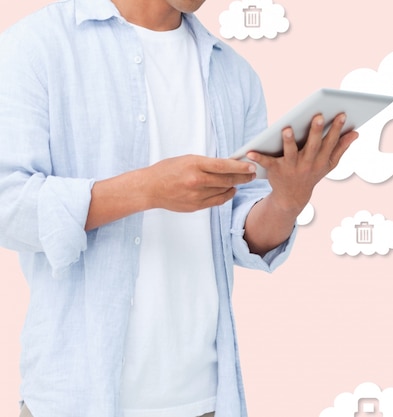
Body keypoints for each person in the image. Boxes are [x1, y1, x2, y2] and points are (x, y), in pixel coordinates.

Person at [0, 0, 359, 416]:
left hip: (206, 401)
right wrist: (146, 189)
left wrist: (288, 198)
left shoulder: (233, 73)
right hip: (76, 401)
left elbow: (241, 235)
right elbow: (9, 207)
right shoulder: (35, 46)